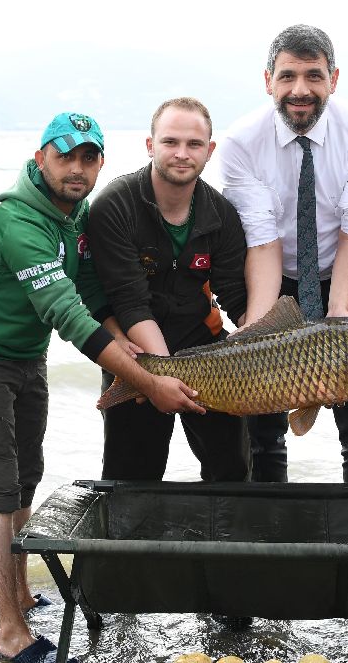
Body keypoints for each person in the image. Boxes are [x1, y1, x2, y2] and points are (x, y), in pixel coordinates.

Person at [0, 112, 204, 661]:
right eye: (65, 156)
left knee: (26, 480)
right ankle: (10, 633)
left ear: (101, 163)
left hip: (26, 355)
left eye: (89, 157)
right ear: (41, 159)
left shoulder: (76, 215)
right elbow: (66, 313)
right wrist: (146, 381)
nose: (77, 168)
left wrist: (127, 344)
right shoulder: (19, 221)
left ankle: (15, 592)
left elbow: (88, 290)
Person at [220, 24, 348, 483]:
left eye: (314, 76)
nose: (300, 90)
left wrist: (340, 316)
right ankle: (267, 526)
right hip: (274, 273)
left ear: (334, 79)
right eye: (288, 76)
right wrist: (255, 327)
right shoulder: (241, 142)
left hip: (343, 266)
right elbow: (262, 240)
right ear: (268, 81)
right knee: (263, 418)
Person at [87, 97, 250, 483]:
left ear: (210, 151)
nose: (182, 154)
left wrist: (256, 336)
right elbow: (130, 302)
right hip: (137, 351)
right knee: (130, 481)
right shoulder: (115, 204)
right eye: (170, 142)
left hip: (208, 349)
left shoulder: (221, 213)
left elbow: (235, 296)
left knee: (233, 473)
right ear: (150, 146)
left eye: (194, 145)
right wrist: (160, 378)